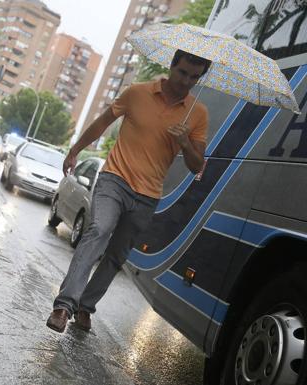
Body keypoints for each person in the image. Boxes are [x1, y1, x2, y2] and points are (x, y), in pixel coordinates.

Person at [46, 49, 211, 333]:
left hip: (148, 195)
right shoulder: (137, 92)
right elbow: (101, 123)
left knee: (116, 256)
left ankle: (86, 307)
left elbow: (197, 166)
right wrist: (75, 150)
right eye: (182, 72)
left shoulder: (198, 114)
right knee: (99, 230)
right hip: (115, 179)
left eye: (194, 77)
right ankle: (64, 305)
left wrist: (185, 143)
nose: (186, 81)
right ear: (172, 66)